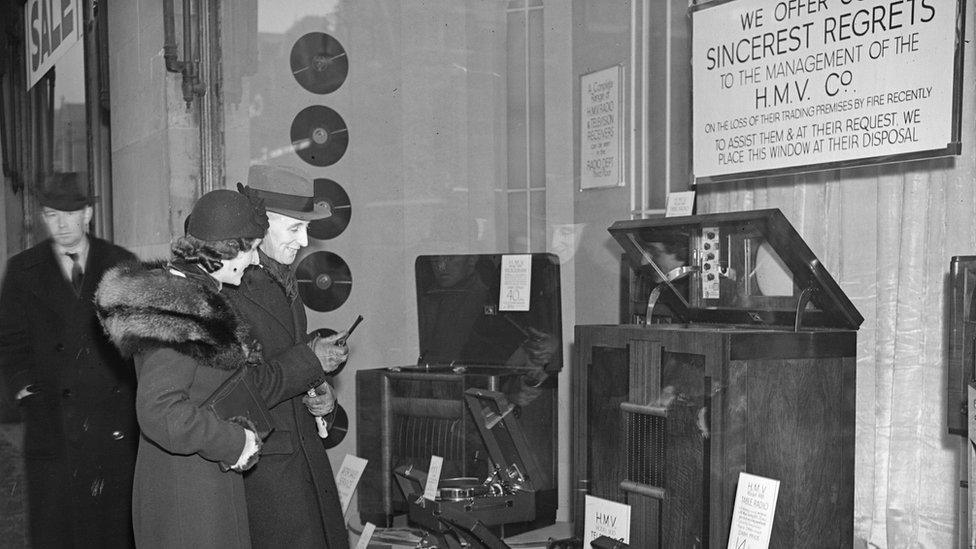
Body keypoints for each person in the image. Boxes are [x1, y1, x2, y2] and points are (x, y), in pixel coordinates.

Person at [95, 189, 270, 548]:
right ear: (223, 250)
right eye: (250, 248)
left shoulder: (190, 295)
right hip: (188, 500)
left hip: (197, 483)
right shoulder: (180, 309)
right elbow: (159, 410)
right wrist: (233, 442)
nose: (255, 260)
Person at [0, 173, 139, 548]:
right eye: (50, 214)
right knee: (57, 531)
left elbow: (136, 345)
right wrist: (28, 394)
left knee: (111, 531)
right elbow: (10, 343)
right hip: (53, 427)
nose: (60, 224)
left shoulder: (121, 264)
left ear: (88, 213)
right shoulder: (21, 270)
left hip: (111, 428)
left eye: (69, 213)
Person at [227, 163, 350, 549]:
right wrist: (311, 362)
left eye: (308, 228)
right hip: (268, 478)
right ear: (259, 227)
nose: (304, 241)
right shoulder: (230, 289)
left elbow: (289, 362)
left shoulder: (283, 277)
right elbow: (241, 390)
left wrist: (322, 393)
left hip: (302, 463)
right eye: (295, 228)